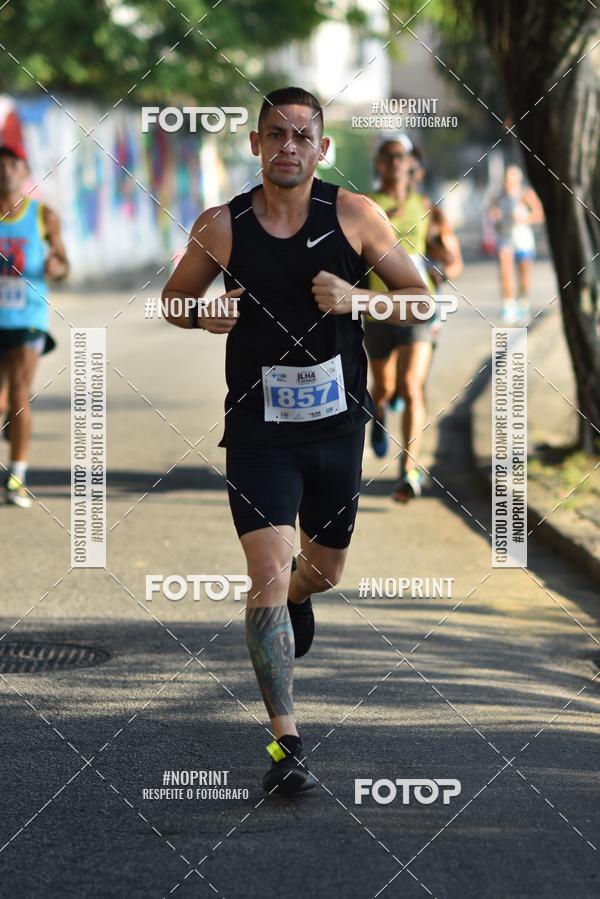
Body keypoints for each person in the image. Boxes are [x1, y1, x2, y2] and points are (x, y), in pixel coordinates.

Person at [161, 87, 429, 795]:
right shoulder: (223, 225)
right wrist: (201, 314)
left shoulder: (354, 215)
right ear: (255, 144)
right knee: (268, 574)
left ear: (322, 148)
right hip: (258, 432)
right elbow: (173, 300)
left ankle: (301, 598)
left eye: (302, 136)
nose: (289, 147)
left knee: (324, 570)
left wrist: (358, 298)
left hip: (337, 427)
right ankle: (287, 743)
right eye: (275, 134)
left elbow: (421, 298)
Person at [364, 137, 462, 502]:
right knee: (384, 387)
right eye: (388, 156)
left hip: (420, 308)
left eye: (401, 156)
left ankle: (409, 469)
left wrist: (442, 269)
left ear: (410, 164)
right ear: (378, 163)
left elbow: (453, 260)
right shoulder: (365, 207)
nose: (394, 162)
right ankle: (378, 410)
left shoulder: (427, 209)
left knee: (411, 385)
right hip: (378, 309)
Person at [0, 143, 69, 507]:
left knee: (18, 394)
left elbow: (63, 263)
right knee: (3, 400)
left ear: (24, 171)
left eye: (13, 165)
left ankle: (17, 476)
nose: (6, 171)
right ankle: (11, 424)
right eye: (1, 166)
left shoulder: (43, 215)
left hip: (28, 317)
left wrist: (57, 266)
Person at [488, 164, 544, 324]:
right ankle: (508, 306)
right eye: (506, 180)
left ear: (518, 180)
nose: (508, 184)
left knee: (523, 274)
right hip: (505, 238)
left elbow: (539, 215)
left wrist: (524, 218)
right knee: (505, 271)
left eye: (511, 180)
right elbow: (491, 213)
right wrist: (494, 216)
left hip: (522, 239)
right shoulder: (498, 196)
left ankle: (523, 304)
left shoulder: (525, 194)